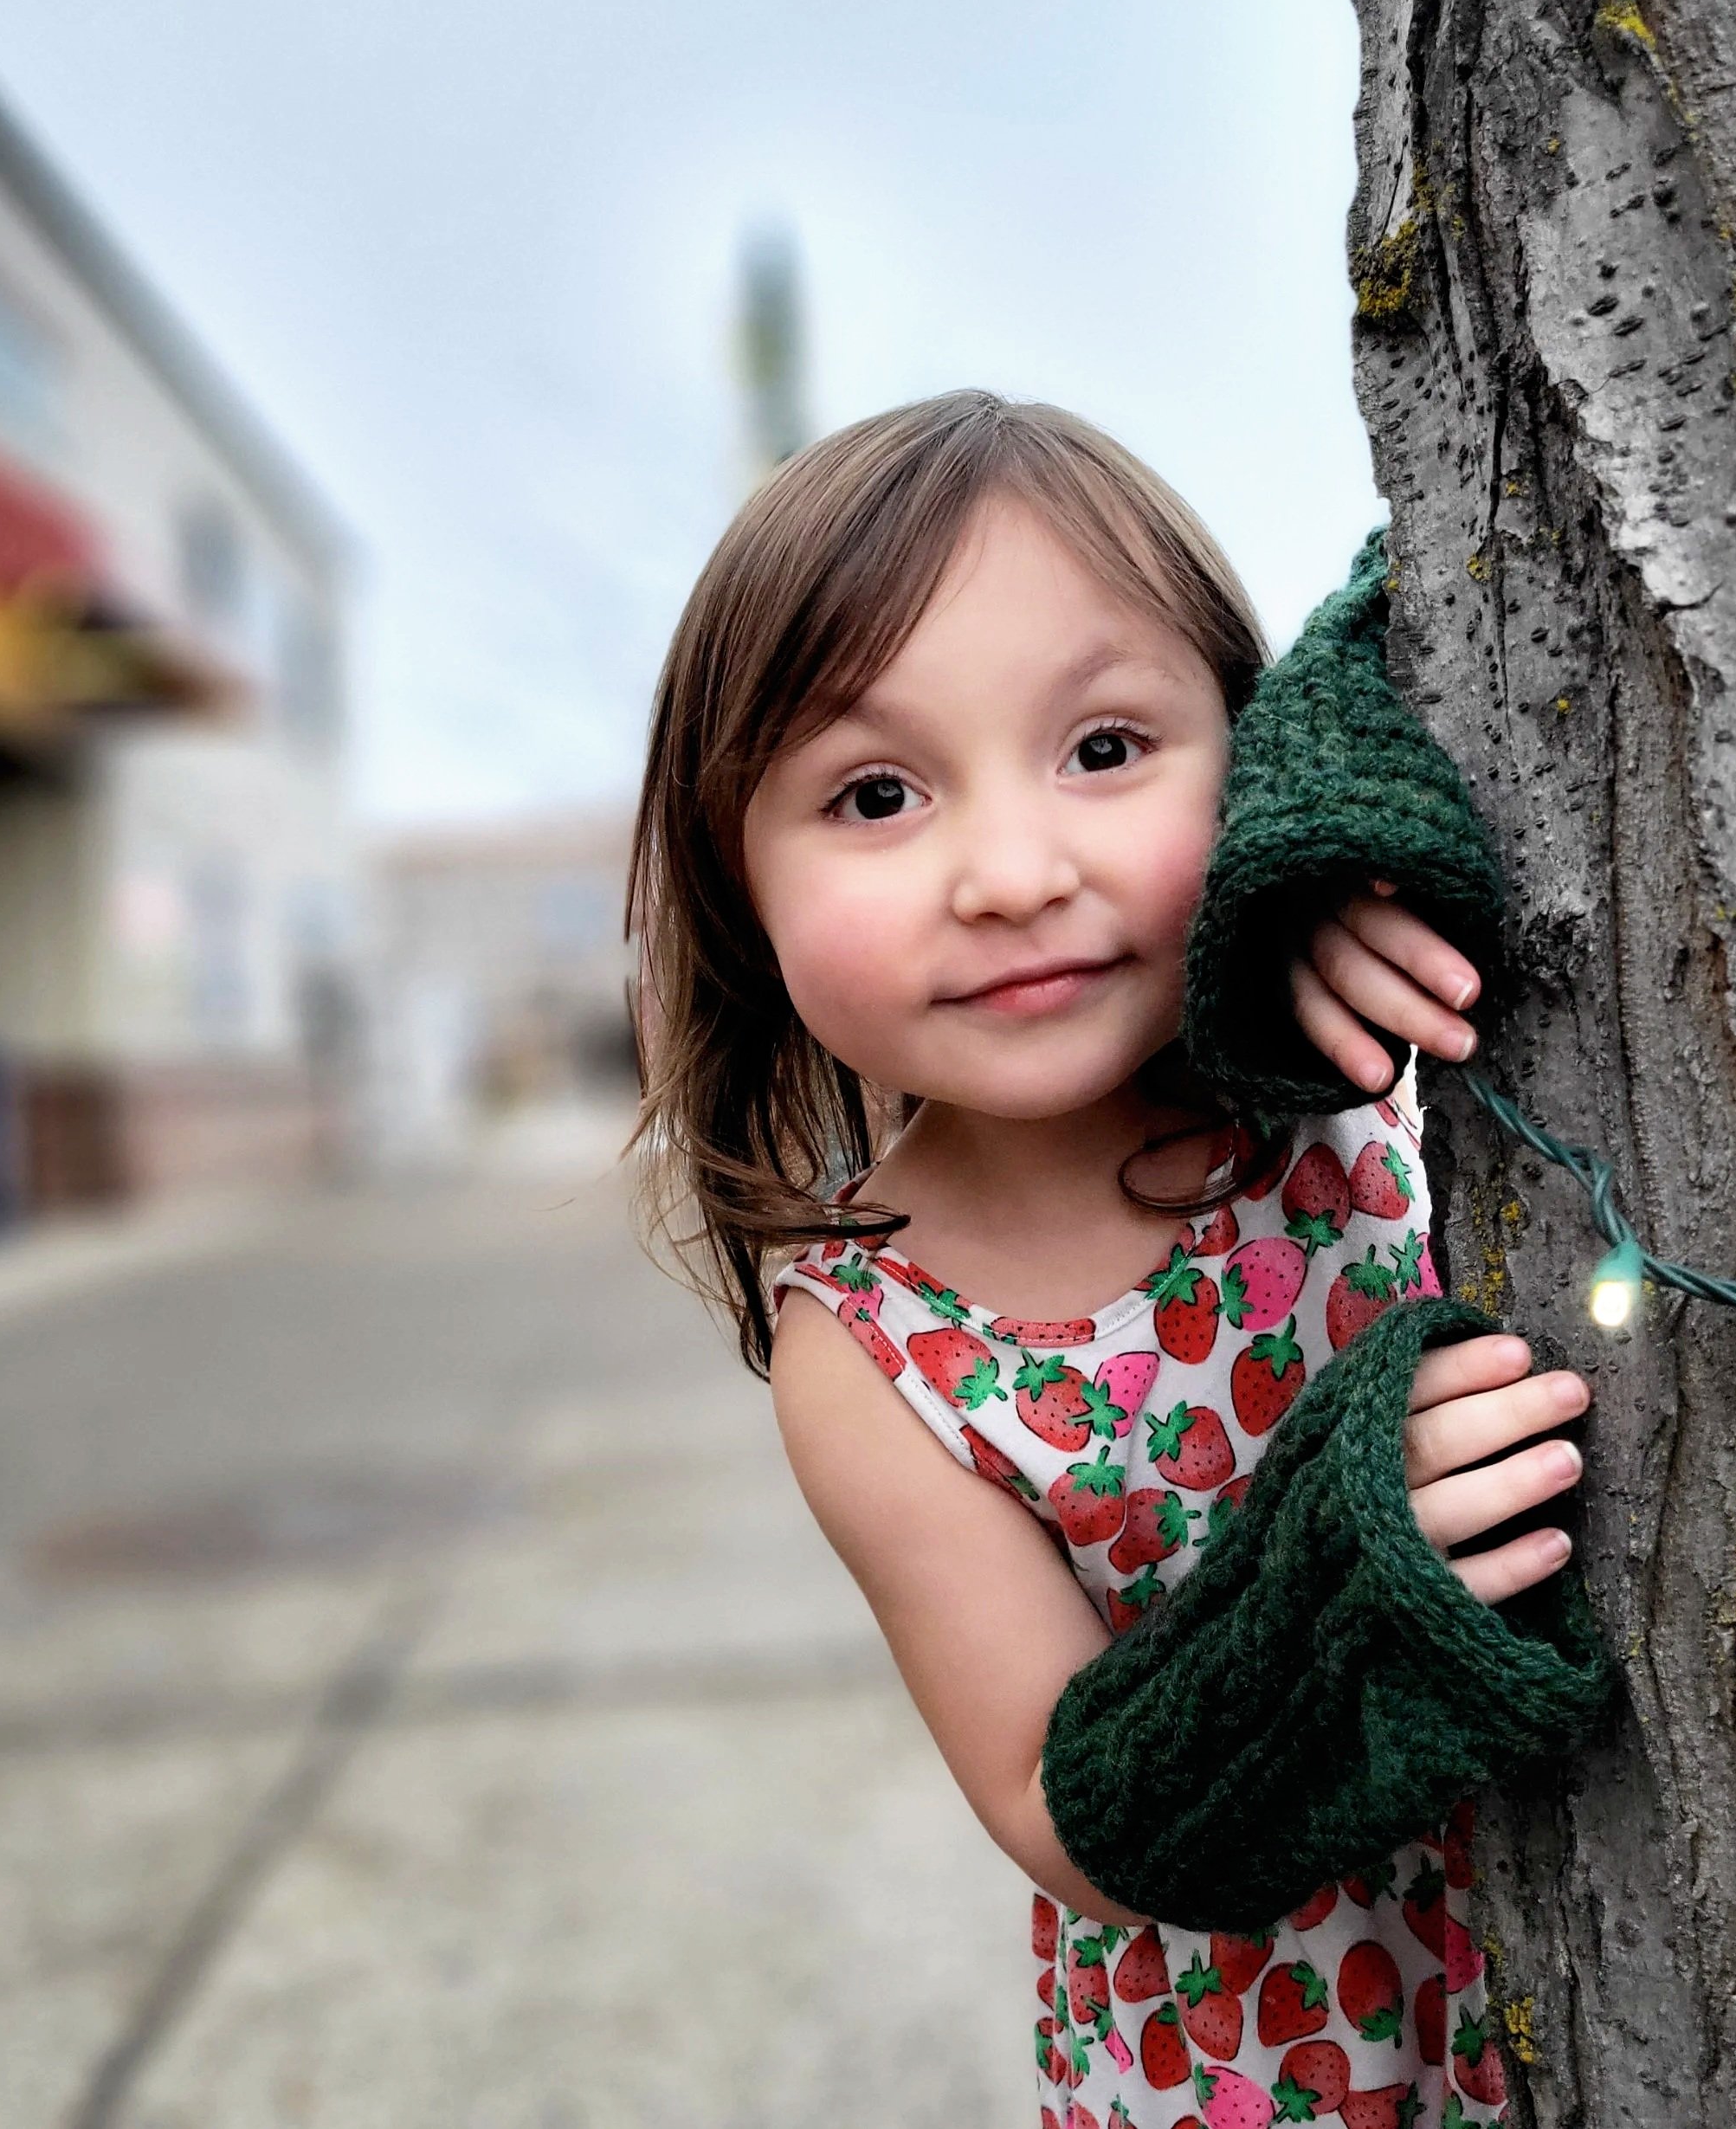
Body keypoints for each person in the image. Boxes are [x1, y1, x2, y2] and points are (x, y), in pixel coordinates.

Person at [628, 390, 1591, 2125]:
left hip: (1595, 1956)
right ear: (733, 889)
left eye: (1103, 749)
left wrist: (1342, 852)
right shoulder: (876, 1345)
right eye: (873, 791)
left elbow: (1426, 590)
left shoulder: (1338, 1052)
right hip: (1259, 2064)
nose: (1009, 872)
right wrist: (1339, 1577)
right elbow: (1060, 1809)